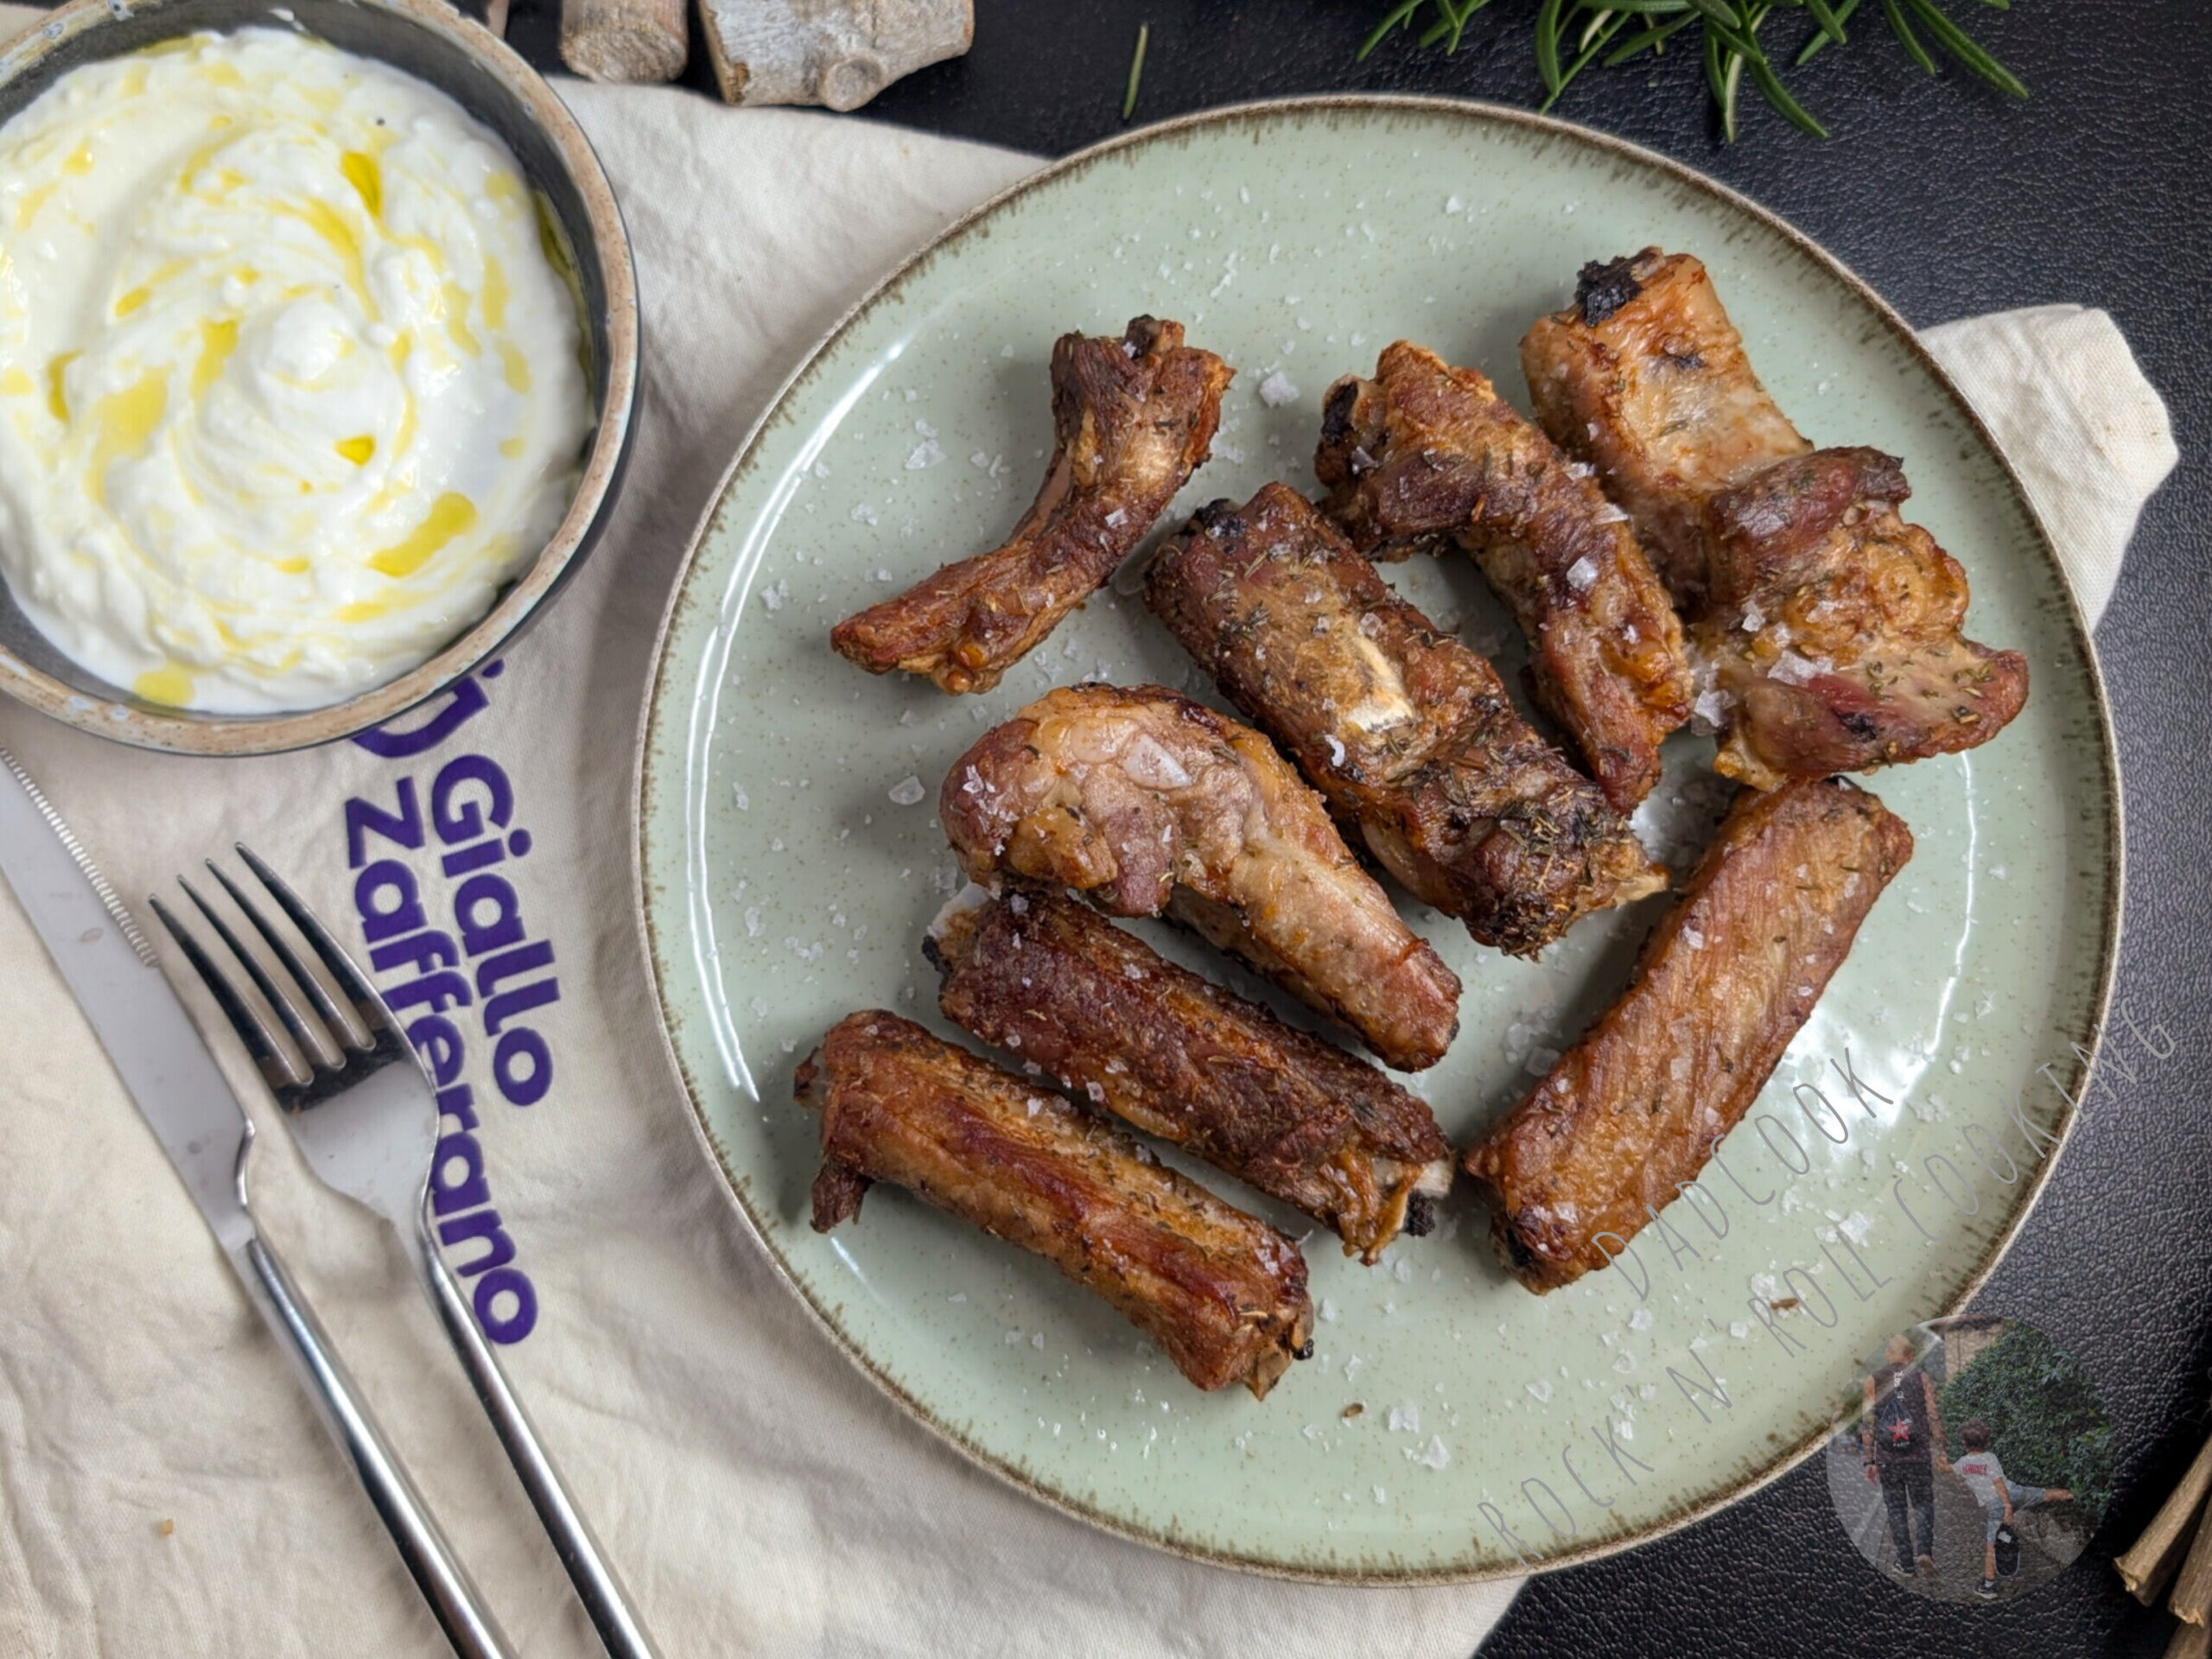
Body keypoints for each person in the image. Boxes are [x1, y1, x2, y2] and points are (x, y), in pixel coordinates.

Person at [1952, 1418, 2075, 1600]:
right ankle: (2074, 1495)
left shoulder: (1962, 1463)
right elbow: (2000, 1482)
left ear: (1964, 1443)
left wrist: (2008, 1507)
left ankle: (1988, 1586)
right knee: (2045, 1494)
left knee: (1991, 1546)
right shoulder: (1990, 1458)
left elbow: (1997, 1484)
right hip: (2016, 1492)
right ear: (1986, 1441)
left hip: (1998, 1504)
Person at [1861, 1333, 1948, 1580]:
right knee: (1923, 1505)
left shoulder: (1873, 1380)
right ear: (1911, 1356)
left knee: (1896, 1509)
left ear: (1888, 1354)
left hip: (1888, 1459)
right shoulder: (1921, 1377)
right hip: (1919, 1457)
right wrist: (1943, 1451)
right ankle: (1925, 1553)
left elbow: (1868, 1423)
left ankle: (1906, 1564)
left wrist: (1869, 1461)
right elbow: (1933, 1415)